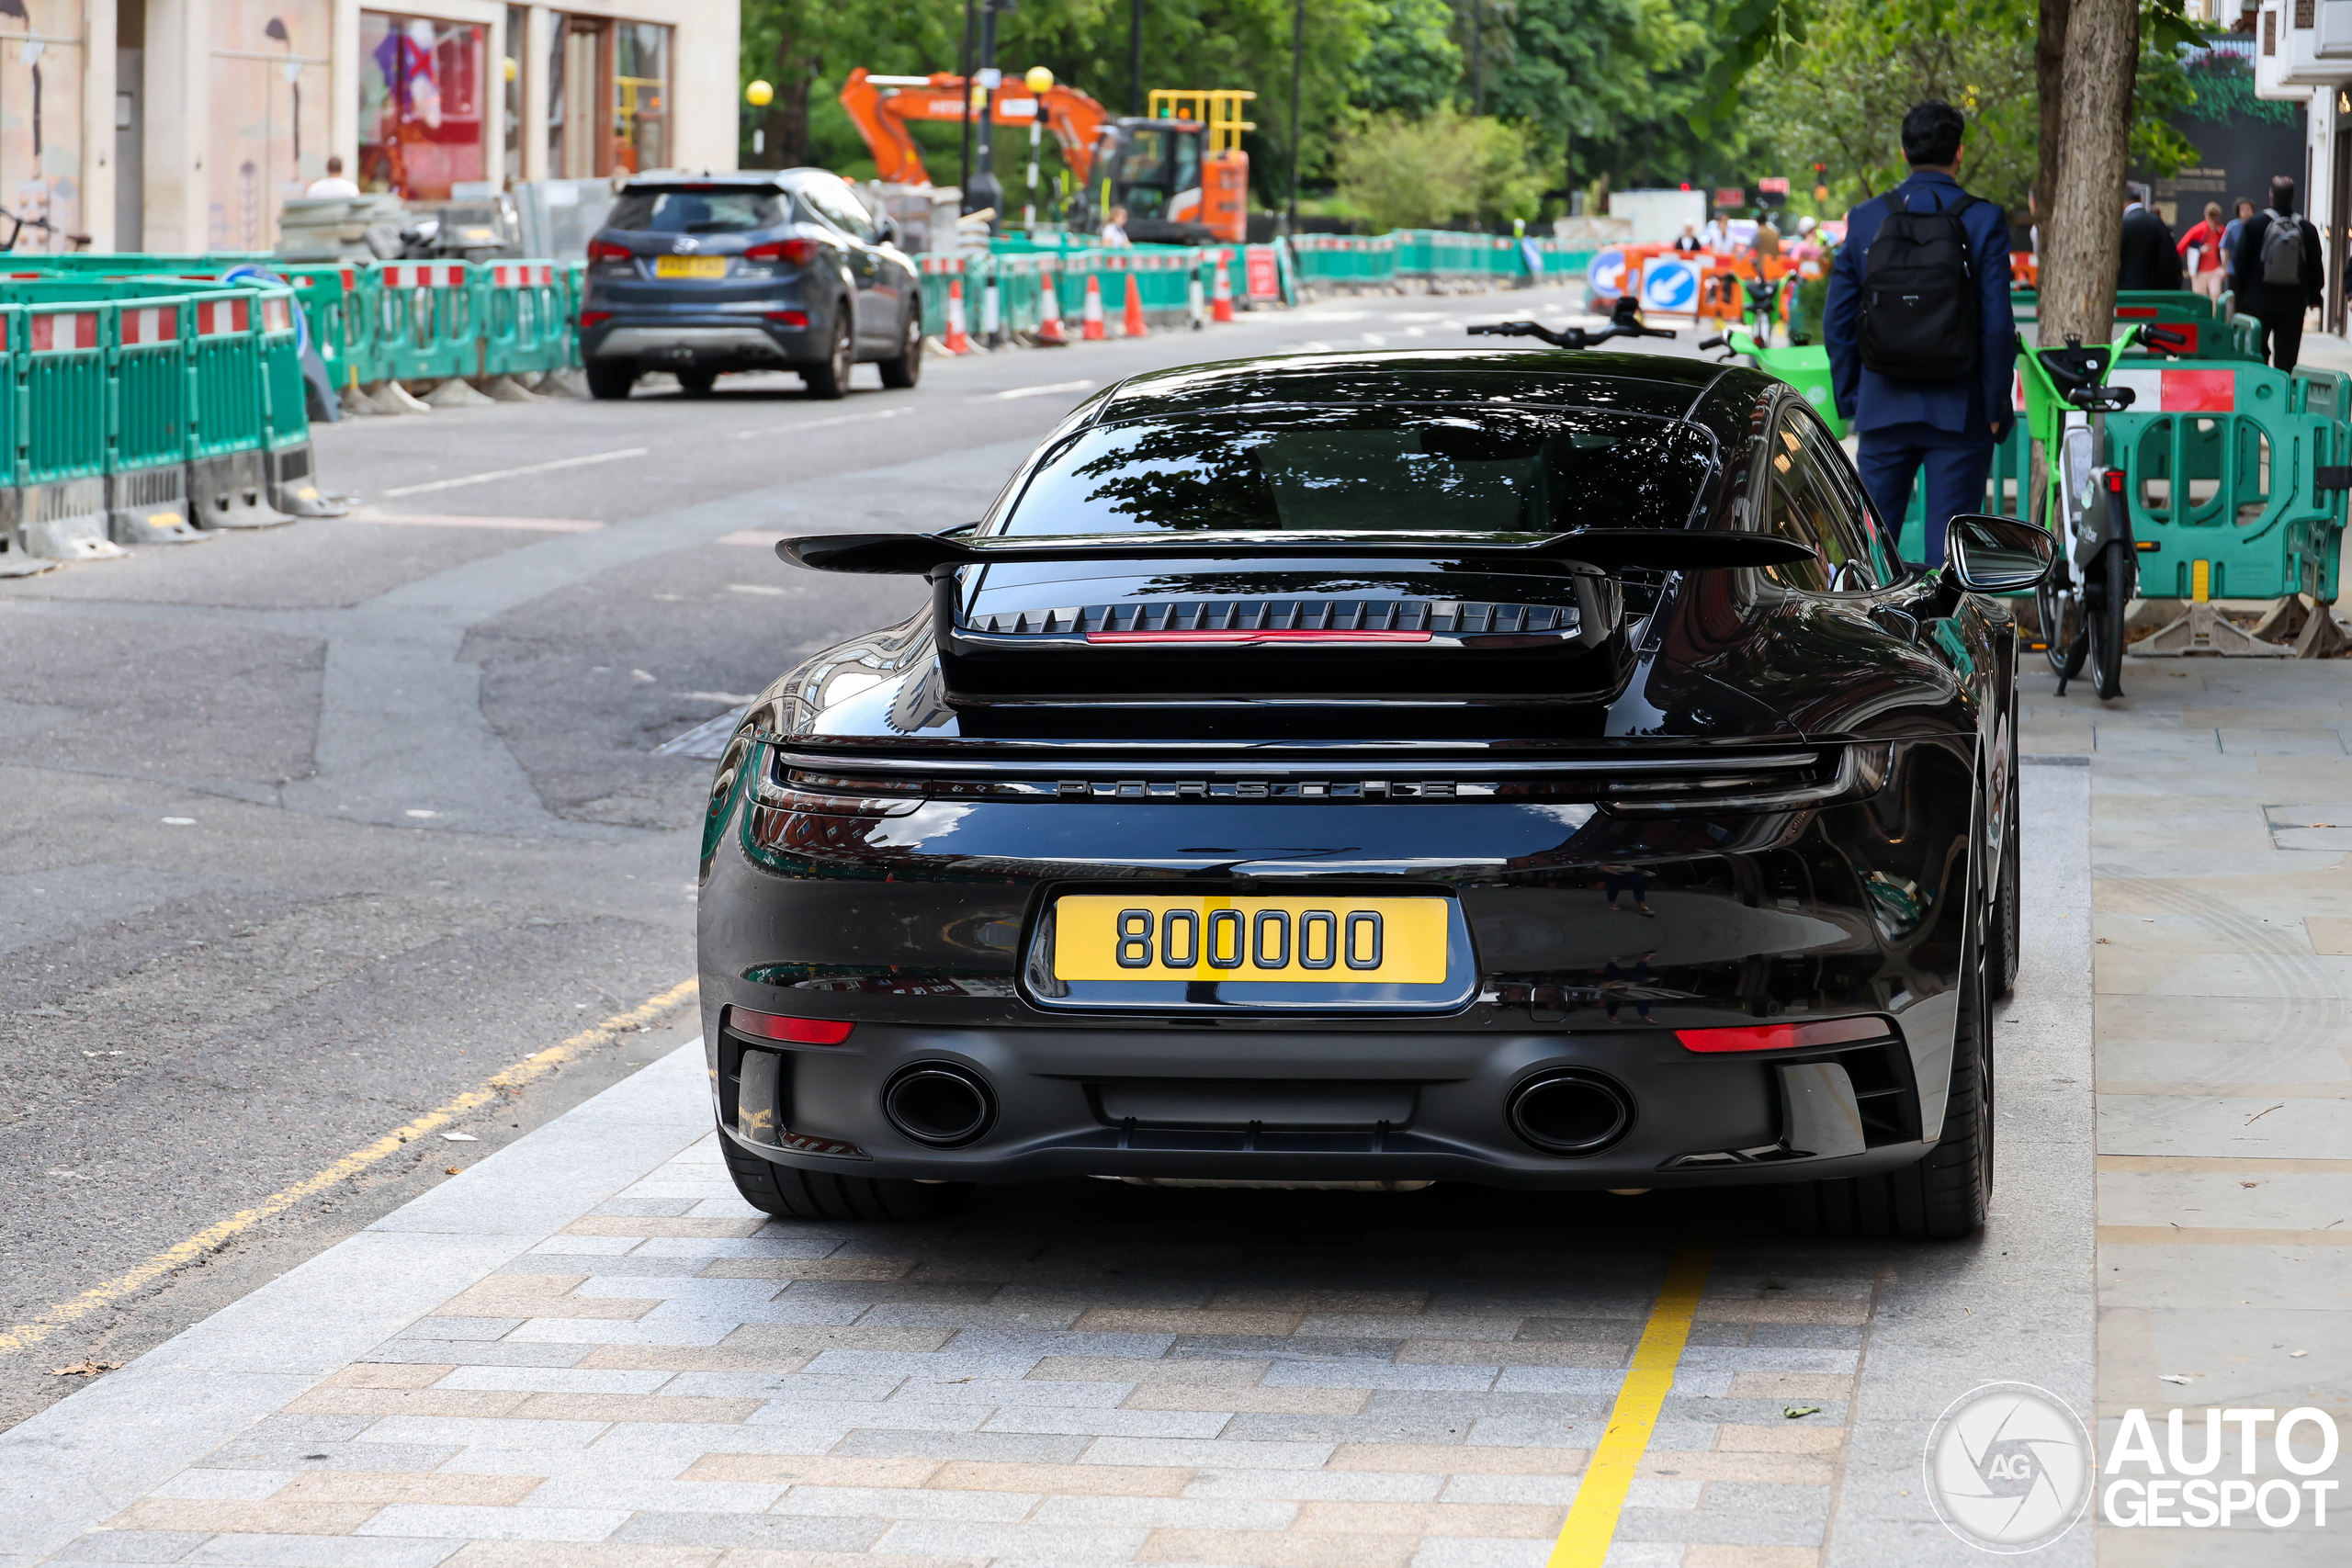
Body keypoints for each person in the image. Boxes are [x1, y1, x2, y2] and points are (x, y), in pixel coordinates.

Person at [1824, 100, 2016, 568]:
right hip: (1960, 410)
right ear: (1960, 154)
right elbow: (1996, 324)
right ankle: (1939, 639)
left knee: (1870, 551)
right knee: (1949, 556)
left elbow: (1838, 319)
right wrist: (1994, 405)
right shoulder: (1983, 220)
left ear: (1903, 151)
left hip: (1882, 405)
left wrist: (1853, 397)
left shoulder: (1867, 219)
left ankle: (1870, 637)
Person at [2234, 175, 2325, 370]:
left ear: (2271, 197)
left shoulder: (2255, 224)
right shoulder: (2306, 228)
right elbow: (2315, 266)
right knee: (2286, 360)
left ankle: (2259, 393)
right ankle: (2282, 395)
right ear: (2293, 198)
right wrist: (2314, 296)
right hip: (2293, 304)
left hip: (2257, 302)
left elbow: (2240, 263)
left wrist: (2240, 299)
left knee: (2256, 355)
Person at [2117, 183, 2183, 289]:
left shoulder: (2121, 225)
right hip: (2154, 296)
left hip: (2124, 296)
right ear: (2139, 199)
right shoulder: (2158, 223)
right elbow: (2171, 262)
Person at [2177, 201, 2228, 302]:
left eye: (2215, 218)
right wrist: (2199, 249)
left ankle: (2215, 318)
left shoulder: (2221, 231)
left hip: (2215, 270)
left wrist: (2225, 268)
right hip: (2199, 272)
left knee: (2215, 295)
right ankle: (2202, 318)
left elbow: (2228, 248)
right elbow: (2182, 246)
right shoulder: (2197, 230)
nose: (2213, 221)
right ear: (2206, 216)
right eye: (2211, 218)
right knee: (2200, 298)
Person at [2219, 197, 2255, 291]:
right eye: (2243, 209)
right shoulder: (2232, 226)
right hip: (2233, 271)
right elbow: (2225, 248)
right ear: (2238, 211)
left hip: (2252, 272)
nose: (2246, 212)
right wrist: (2225, 267)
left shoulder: (2257, 225)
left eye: (2248, 209)